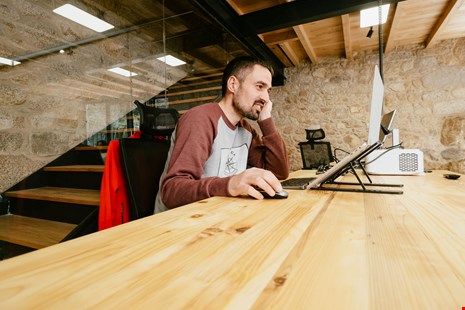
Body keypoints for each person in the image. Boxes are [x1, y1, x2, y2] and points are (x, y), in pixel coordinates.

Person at [154, 56, 289, 213]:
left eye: (268, 90)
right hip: (176, 225)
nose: (266, 98)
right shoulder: (200, 119)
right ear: (233, 84)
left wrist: (266, 122)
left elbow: (278, 173)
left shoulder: (246, 130)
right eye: (259, 87)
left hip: (219, 218)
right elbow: (171, 191)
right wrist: (229, 185)